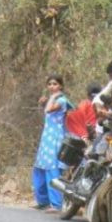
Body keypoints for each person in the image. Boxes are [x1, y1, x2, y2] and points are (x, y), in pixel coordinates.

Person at [32, 74, 70, 213]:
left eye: (55, 84)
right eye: (50, 84)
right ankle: (43, 201)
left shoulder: (62, 100)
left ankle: (56, 203)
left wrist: (52, 98)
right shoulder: (52, 100)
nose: (52, 87)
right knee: (40, 168)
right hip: (46, 138)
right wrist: (45, 102)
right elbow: (47, 110)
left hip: (55, 138)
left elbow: (49, 110)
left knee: (52, 169)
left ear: (61, 86)